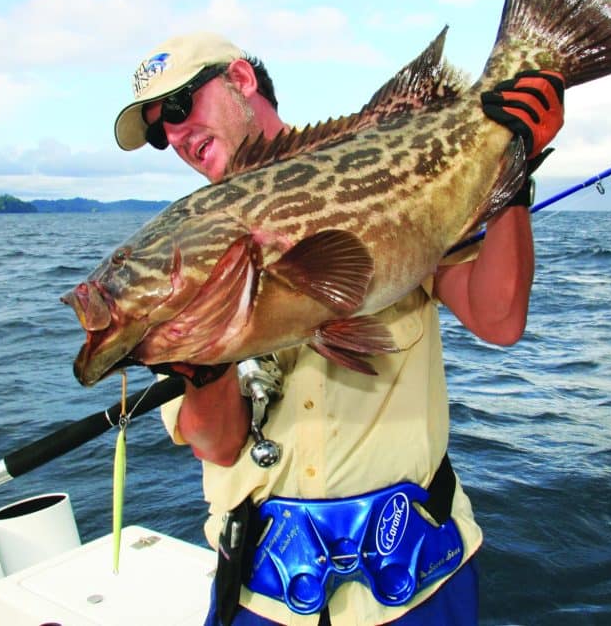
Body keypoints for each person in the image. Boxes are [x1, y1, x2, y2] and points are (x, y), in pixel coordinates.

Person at [112, 32, 564, 625]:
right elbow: (219, 446)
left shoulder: (386, 167)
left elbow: (499, 320)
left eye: (178, 107)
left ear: (242, 81)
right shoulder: (176, 260)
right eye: (155, 132)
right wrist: (204, 365)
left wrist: (513, 165)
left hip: (419, 583)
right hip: (265, 595)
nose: (172, 134)